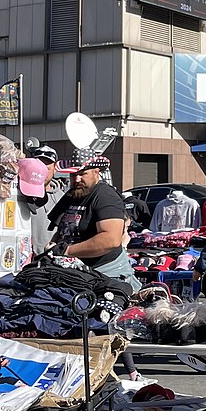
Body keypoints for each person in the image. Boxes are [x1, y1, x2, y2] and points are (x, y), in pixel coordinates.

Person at [47, 156, 150, 388]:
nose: (77, 178)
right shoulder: (73, 194)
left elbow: (111, 239)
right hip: (76, 276)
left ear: (97, 172)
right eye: (73, 174)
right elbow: (60, 228)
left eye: (83, 173)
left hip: (106, 277)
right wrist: (54, 247)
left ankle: (114, 380)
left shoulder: (105, 196)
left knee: (106, 331)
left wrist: (68, 250)